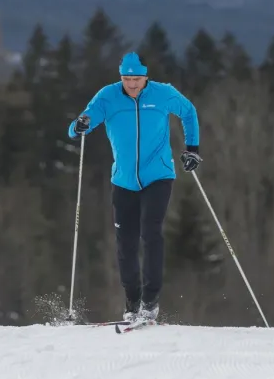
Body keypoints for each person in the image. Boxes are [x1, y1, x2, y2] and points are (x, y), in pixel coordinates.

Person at [68, 52, 202, 323]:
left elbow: (188, 111)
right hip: (124, 180)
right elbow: (81, 123)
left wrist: (192, 149)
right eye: (127, 79)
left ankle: (150, 302)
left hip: (159, 175)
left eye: (136, 79)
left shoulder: (162, 94)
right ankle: (132, 303)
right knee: (125, 243)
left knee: (151, 232)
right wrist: (78, 126)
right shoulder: (108, 96)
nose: (131, 84)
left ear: (145, 77)